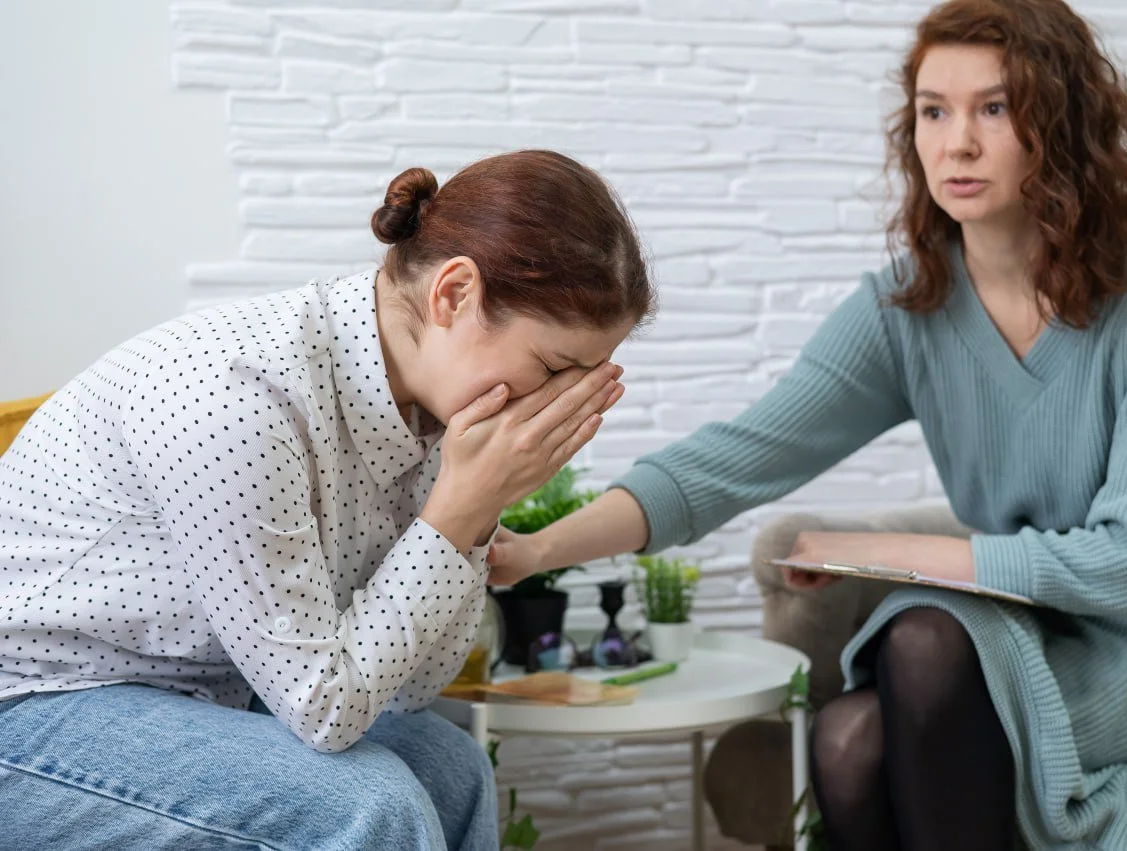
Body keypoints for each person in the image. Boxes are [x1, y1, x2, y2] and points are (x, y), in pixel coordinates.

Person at [486, 3, 1127, 850]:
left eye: (995, 108)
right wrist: (536, 551)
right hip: (1020, 631)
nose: (956, 143)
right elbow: (734, 459)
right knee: (847, 741)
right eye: (934, 110)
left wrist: (883, 554)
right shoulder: (909, 306)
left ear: (1066, 121)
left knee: (914, 653)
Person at [0, 149, 653, 850]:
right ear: (454, 294)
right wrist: (458, 510)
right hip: (37, 700)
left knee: (452, 767)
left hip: (199, 689)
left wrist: (476, 507)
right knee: (370, 805)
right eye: (554, 370)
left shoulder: (434, 411)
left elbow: (417, 685)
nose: (558, 407)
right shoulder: (240, 396)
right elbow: (325, 707)